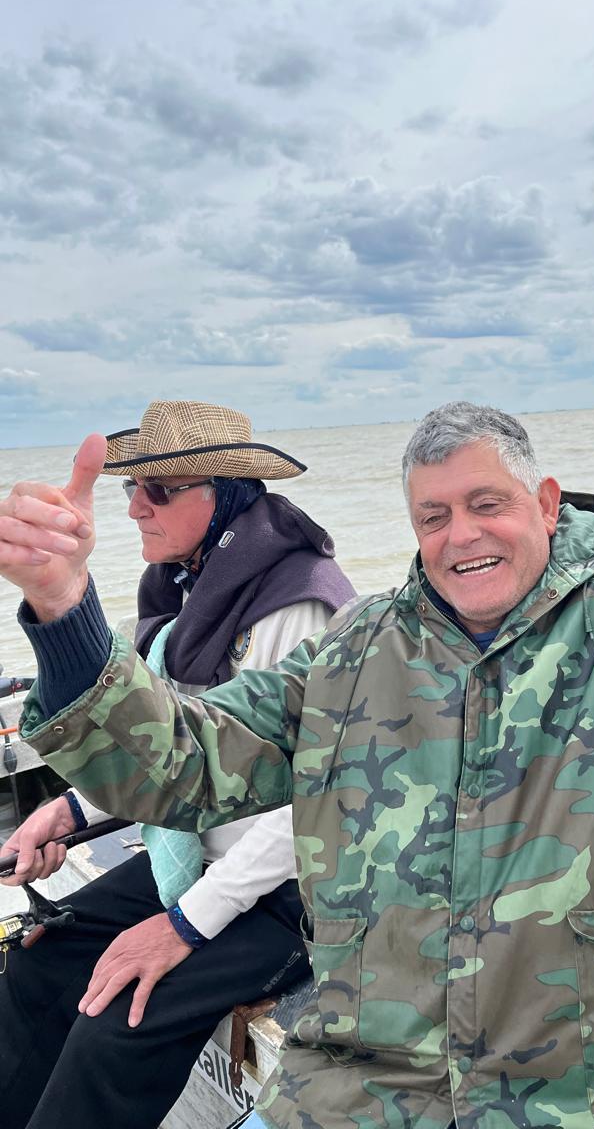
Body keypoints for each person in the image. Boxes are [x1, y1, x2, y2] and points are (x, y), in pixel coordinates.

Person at [0, 256, 594, 1129]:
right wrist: (66, 607)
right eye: (433, 515)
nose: (461, 535)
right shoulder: (352, 655)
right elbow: (178, 764)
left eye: (487, 503)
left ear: (546, 502)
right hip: (377, 1089)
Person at [0, 400, 355, 1129]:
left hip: (287, 890)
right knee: (44, 955)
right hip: (197, 849)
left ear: (223, 495)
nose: (133, 507)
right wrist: (66, 810)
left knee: (116, 1021)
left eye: (158, 490)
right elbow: (169, 743)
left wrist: (183, 925)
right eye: (131, 486)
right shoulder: (182, 592)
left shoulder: (299, 610)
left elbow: (313, 810)